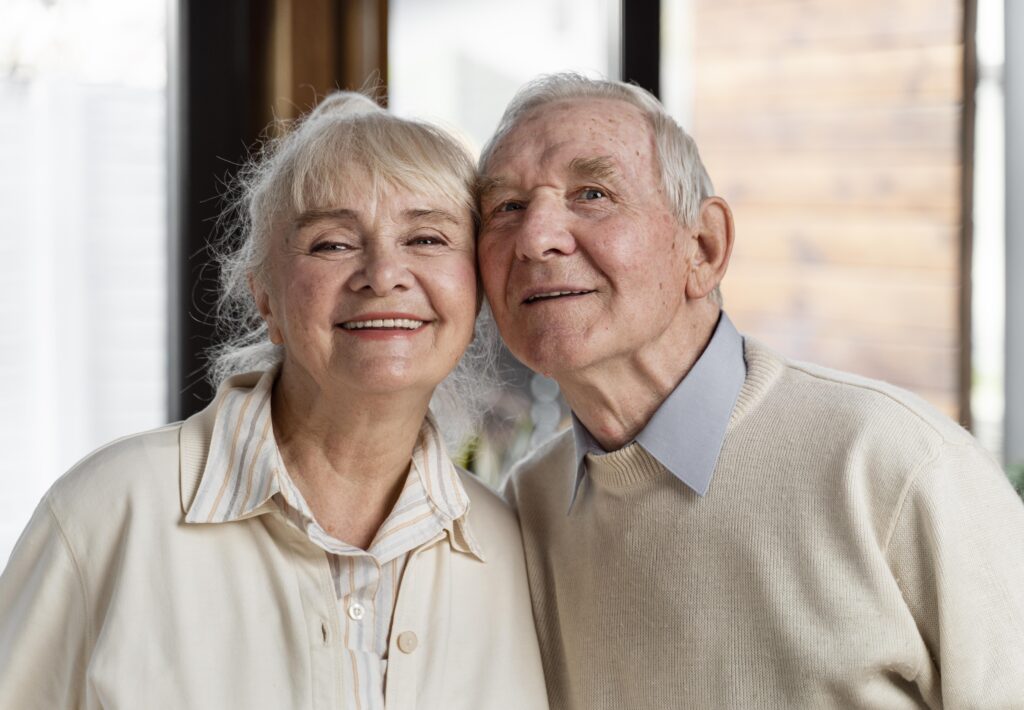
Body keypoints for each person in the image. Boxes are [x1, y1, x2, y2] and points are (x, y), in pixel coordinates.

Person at [476, 73, 1024, 709]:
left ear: (704, 248)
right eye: (506, 208)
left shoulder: (894, 461)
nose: (535, 238)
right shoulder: (528, 504)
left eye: (592, 194)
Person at [0, 91, 548, 710]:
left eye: (426, 238)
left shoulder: (511, 547)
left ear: (472, 292)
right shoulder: (109, 511)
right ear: (265, 297)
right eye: (333, 244)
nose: (384, 273)